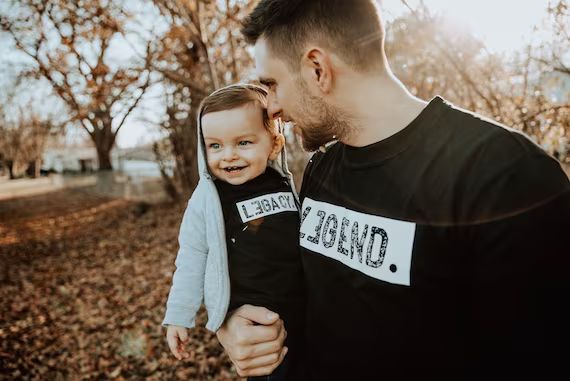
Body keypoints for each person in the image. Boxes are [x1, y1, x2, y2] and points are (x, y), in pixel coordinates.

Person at [215, 0, 570, 379]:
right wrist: (237, 323)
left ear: (317, 69)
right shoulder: (323, 167)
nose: (269, 108)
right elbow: (306, 292)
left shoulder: (506, 174)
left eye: (271, 84)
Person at [162, 84, 306, 380]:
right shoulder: (209, 199)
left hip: (305, 307)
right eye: (215, 146)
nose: (227, 156)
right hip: (257, 322)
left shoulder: (282, 183)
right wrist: (179, 316)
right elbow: (191, 257)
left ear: (275, 144)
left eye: (243, 143)